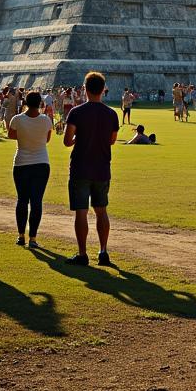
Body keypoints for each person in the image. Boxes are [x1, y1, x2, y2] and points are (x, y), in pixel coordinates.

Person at [64, 71, 119, 267]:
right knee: (101, 211)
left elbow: (67, 141)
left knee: (81, 212)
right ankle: (103, 251)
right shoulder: (111, 114)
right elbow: (112, 140)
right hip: (102, 168)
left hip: (80, 167)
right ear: (103, 90)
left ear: (84, 89)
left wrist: (82, 136)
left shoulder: (76, 112)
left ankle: (82, 253)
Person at [9, 91, 52, 249]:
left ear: (25, 102)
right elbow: (47, 139)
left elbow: (11, 135)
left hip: (21, 163)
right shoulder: (46, 120)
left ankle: (21, 236)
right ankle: (33, 237)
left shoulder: (17, 119)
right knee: (36, 201)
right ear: (40, 103)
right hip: (41, 163)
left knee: (22, 200)